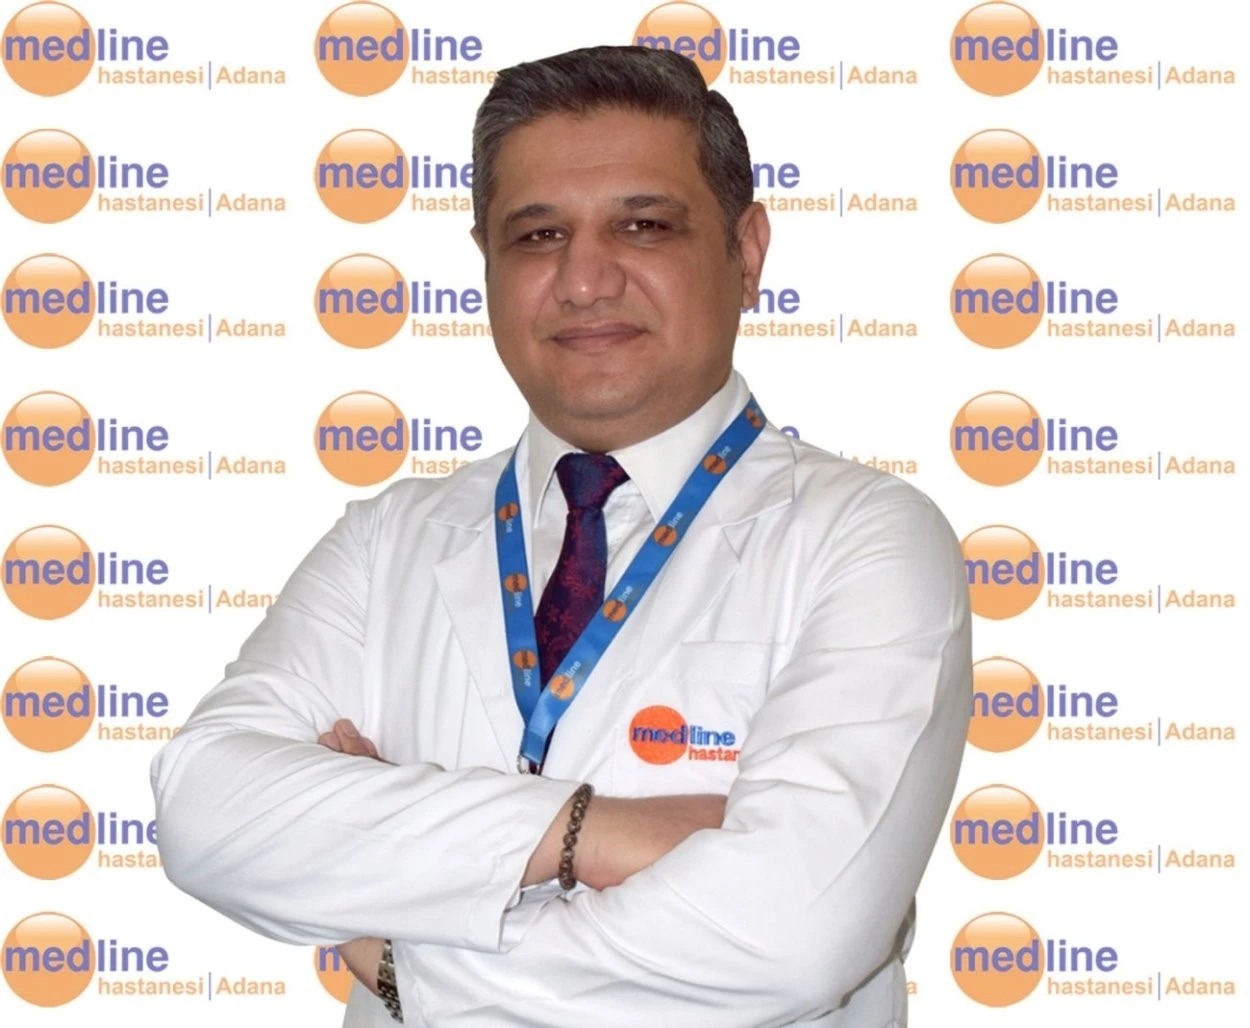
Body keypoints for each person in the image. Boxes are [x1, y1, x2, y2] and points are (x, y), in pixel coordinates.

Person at [150, 44, 971, 1028]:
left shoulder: (869, 540)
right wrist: (588, 832)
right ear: (487, 266)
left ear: (746, 252)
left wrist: (402, 946)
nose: (584, 280)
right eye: (538, 235)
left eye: (642, 225)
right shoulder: (387, 539)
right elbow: (203, 811)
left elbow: (790, 934)